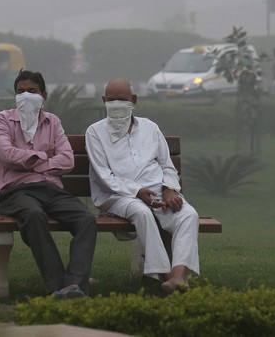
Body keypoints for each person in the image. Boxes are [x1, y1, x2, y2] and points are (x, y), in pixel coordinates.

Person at [85, 78, 200, 294]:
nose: (117, 104)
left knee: (188, 214)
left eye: (122, 99)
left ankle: (178, 276)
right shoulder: (95, 132)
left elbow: (167, 165)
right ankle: (165, 276)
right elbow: (104, 176)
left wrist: (169, 189)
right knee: (142, 213)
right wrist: (137, 192)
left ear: (134, 100)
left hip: (157, 191)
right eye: (112, 100)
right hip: (118, 196)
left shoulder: (150, 128)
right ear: (104, 100)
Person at [0, 69, 97, 299]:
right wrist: (45, 156)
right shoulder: (2, 120)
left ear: (44, 95)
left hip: (51, 190)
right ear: (14, 95)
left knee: (86, 219)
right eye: (20, 91)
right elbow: (5, 152)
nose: (25, 95)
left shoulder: (53, 122)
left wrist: (30, 161)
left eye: (32, 91)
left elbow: (67, 160)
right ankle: (57, 287)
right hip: (16, 193)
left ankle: (75, 284)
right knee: (34, 215)